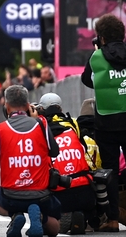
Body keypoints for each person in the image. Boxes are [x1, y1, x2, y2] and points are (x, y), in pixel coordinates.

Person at [80, 13, 126, 232]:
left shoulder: (97, 58)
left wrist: (98, 57)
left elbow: (87, 80)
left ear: (101, 38)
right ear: (123, 34)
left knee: (109, 171)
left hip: (107, 123)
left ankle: (112, 220)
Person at [0, 85, 61, 237]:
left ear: (6, 106)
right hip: (40, 194)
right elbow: (55, 152)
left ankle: (16, 215)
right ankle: (40, 217)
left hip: (11, 195)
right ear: (28, 105)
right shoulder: (41, 125)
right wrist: (38, 121)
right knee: (55, 228)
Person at [38, 93, 96, 234]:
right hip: (85, 188)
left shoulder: (41, 128)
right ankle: (85, 216)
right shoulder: (73, 124)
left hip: (59, 190)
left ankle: (57, 217)